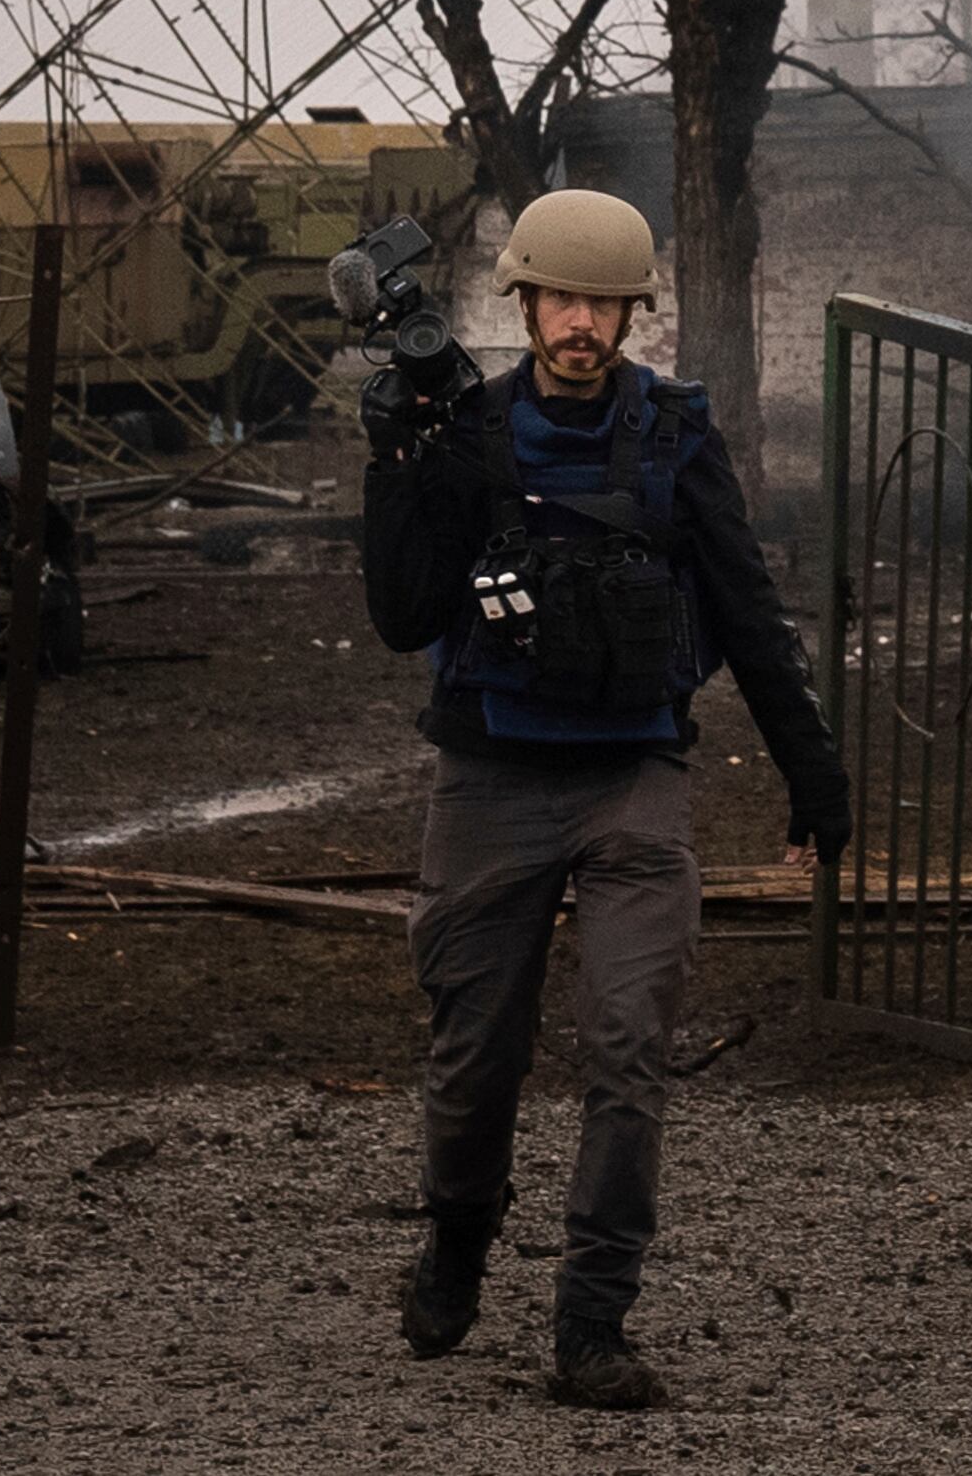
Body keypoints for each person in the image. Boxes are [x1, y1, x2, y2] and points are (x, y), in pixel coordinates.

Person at [357, 186, 850, 1412]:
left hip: (634, 773)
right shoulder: (465, 429)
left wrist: (811, 771)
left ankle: (591, 1321)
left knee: (630, 1046)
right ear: (524, 302)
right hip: (489, 774)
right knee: (474, 1052)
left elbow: (745, 609)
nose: (581, 323)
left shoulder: (676, 436)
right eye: (561, 299)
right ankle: (457, 1239)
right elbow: (402, 615)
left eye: (604, 304)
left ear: (634, 314)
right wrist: (398, 467)